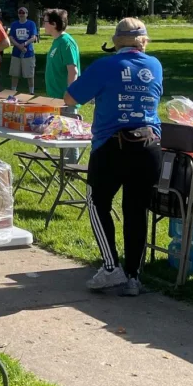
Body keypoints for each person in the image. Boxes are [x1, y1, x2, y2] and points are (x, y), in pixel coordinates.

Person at [65, 18, 163, 297]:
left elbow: (70, 98)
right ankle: (133, 277)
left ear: (116, 41)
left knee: (97, 202)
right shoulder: (155, 66)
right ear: (143, 41)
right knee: (136, 211)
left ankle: (111, 267)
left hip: (112, 145)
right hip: (149, 146)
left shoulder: (105, 66)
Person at [43, 9, 81, 99]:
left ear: (54, 24)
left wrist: (69, 96)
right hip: (55, 98)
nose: (43, 24)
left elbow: (73, 71)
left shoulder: (66, 43)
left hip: (64, 101)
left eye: (45, 22)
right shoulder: (57, 41)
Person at [8, 7, 38, 94]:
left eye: (23, 13)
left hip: (28, 52)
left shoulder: (31, 24)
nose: (21, 14)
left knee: (30, 74)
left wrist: (24, 44)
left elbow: (33, 37)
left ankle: (31, 92)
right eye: (20, 12)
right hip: (16, 53)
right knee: (14, 74)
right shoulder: (14, 24)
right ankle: (13, 91)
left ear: (27, 14)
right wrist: (18, 45)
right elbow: (11, 37)